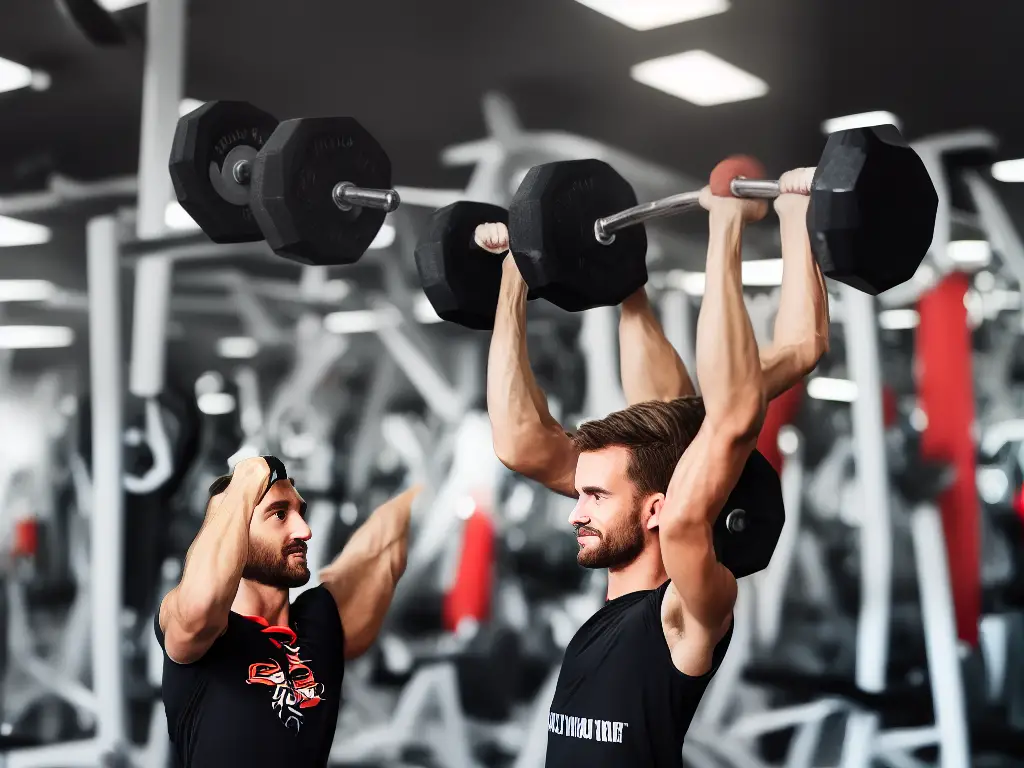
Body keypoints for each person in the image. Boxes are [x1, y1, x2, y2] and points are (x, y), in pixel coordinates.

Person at [479, 167, 829, 766]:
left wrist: (726, 227)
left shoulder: (684, 618)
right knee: (690, 404)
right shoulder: (610, 603)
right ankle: (627, 283)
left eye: (593, 497)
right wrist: (514, 272)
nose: (574, 514)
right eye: (582, 496)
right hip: (688, 448)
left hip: (705, 454)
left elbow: (732, 425)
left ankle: (789, 224)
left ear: (656, 509)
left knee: (749, 391)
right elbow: (519, 444)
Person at [154, 454, 421, 768]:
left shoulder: (319, 622)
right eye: (280, 514)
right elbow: (200, 605)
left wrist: (423, 480)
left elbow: (385, 547)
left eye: (300, 513)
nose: (305, 530)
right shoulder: (202, 635)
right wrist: (250, 476)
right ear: (236, 532)